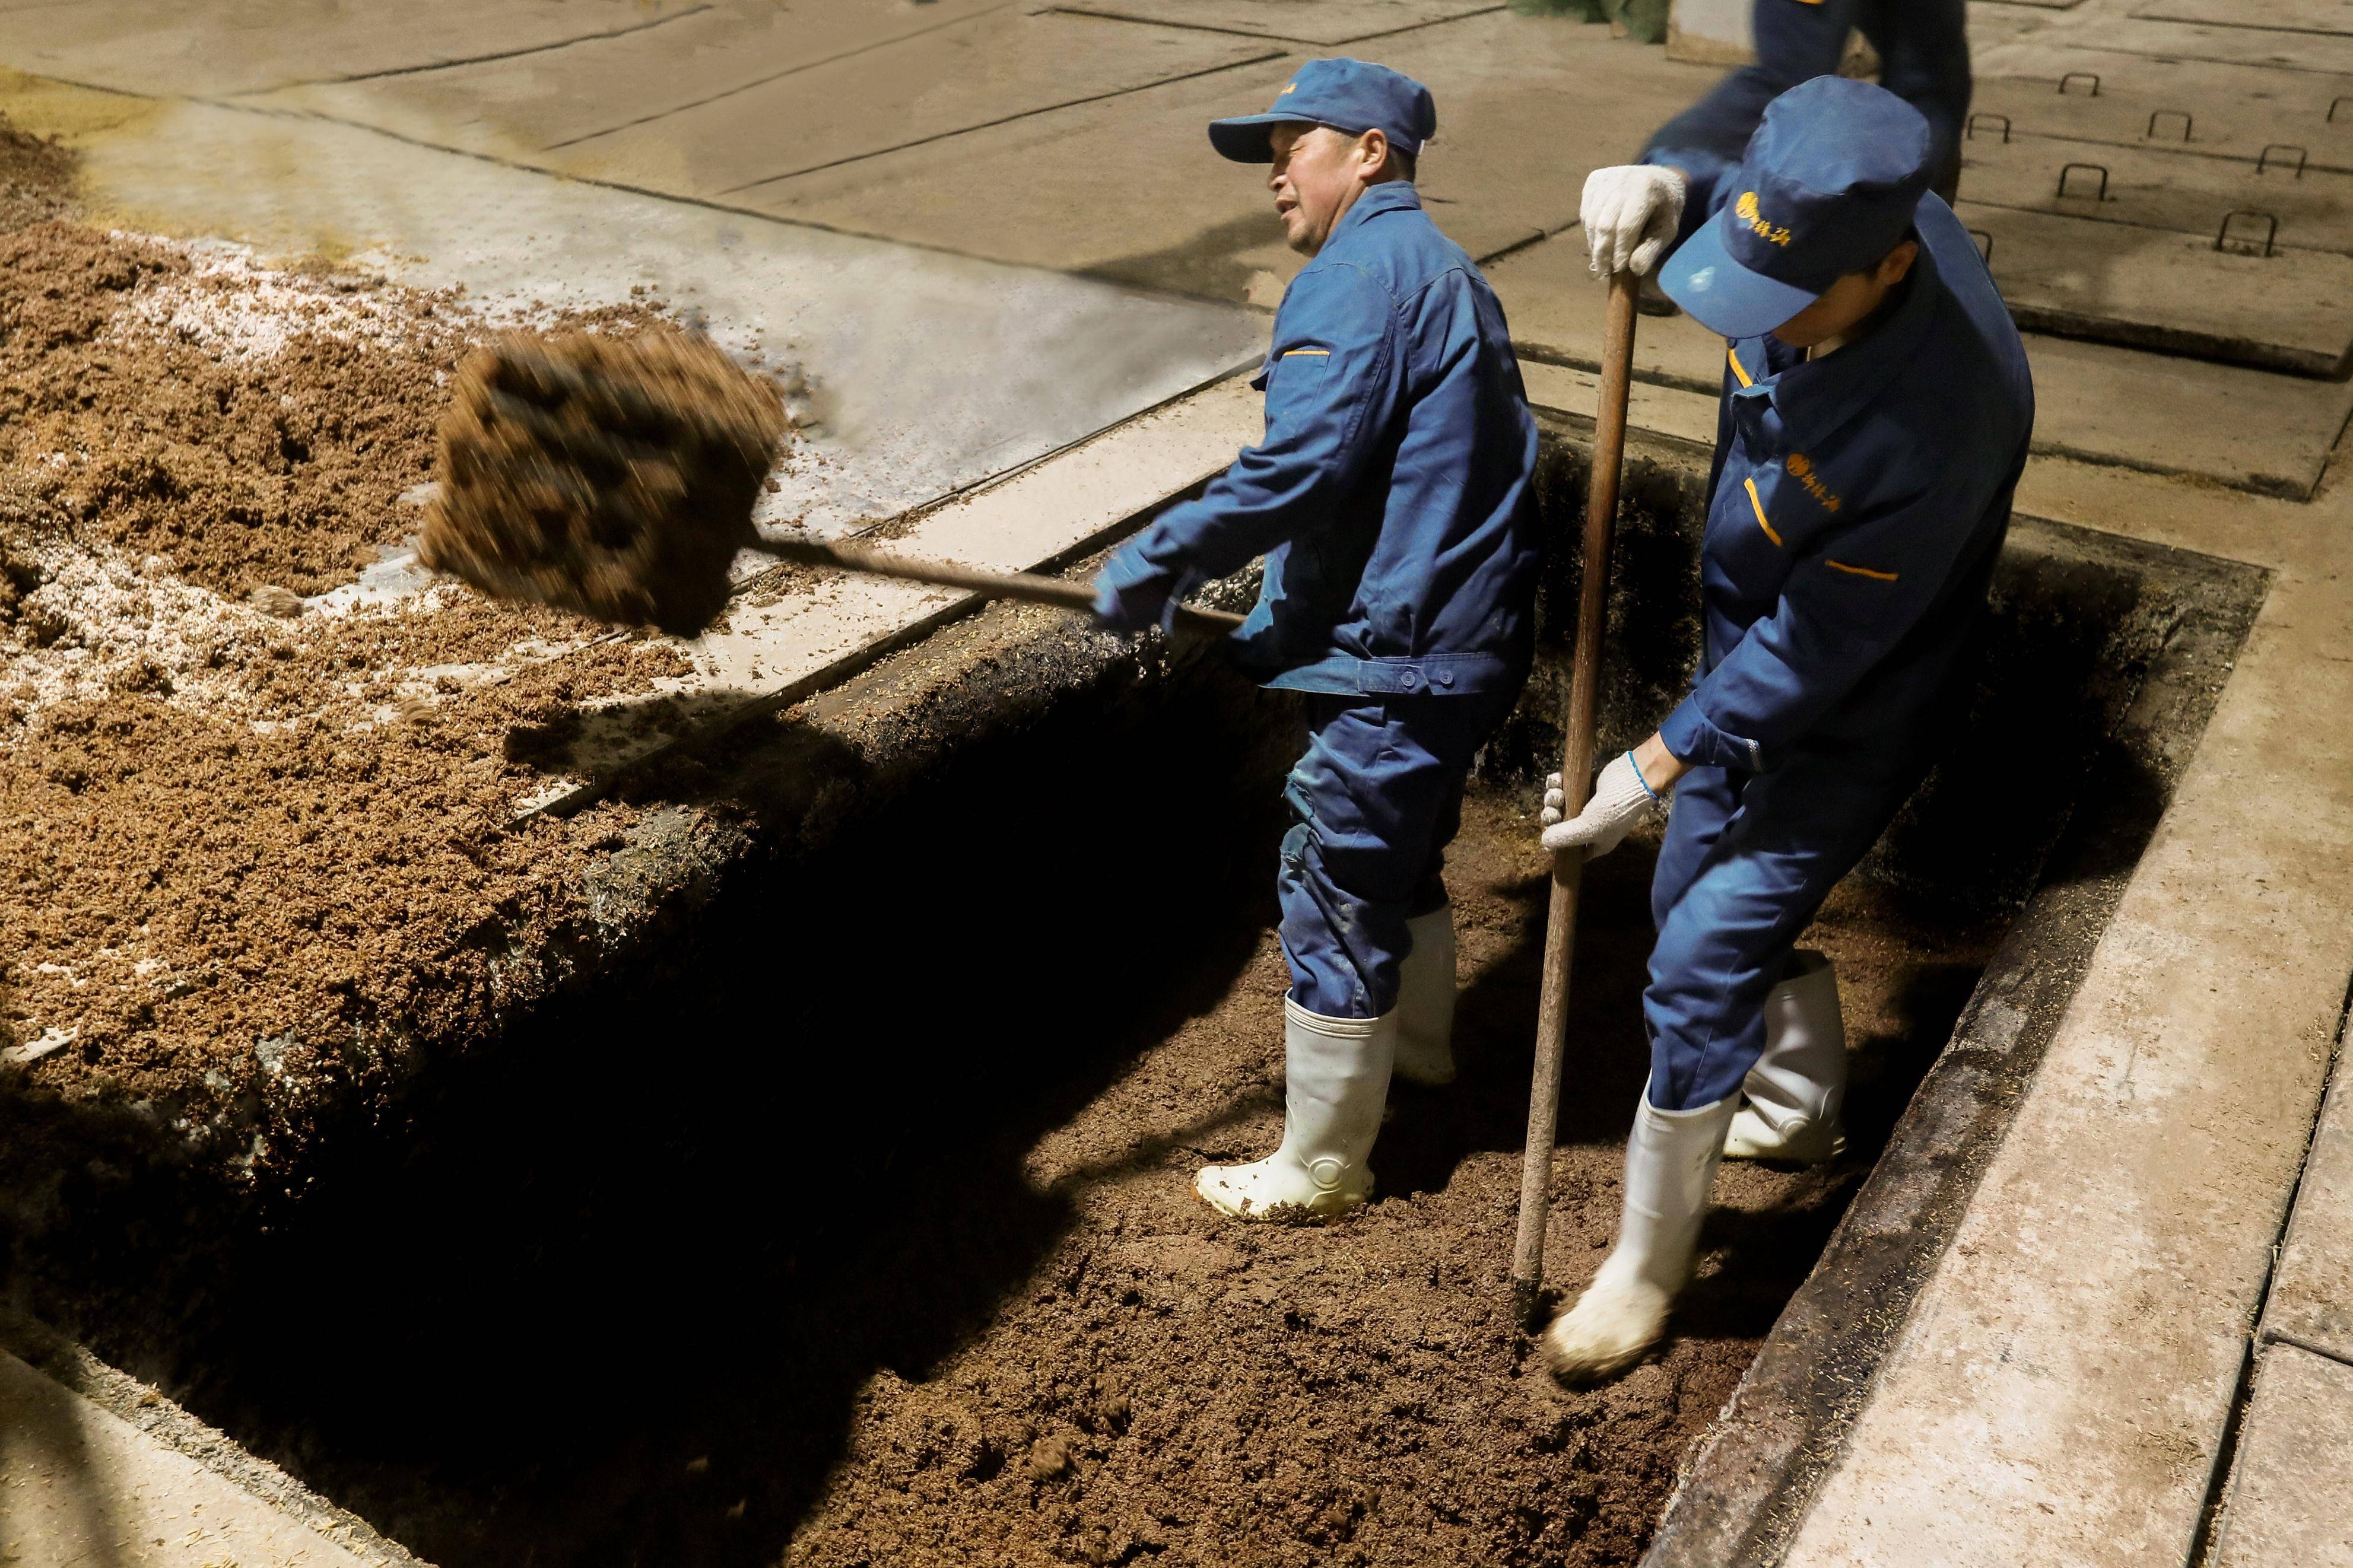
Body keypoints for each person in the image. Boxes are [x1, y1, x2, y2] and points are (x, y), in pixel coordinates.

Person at [1538, 75, 2034, 1381]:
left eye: (1791, 301)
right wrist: (1664, 173)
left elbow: (1816, 651)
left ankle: (1647, 1272)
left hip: (1855, 692)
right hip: (1746, 635)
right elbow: (1739, 138)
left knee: (1701, 951)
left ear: (1892, 262)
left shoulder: (1944, 423)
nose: (1754, 322)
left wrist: (1646, 765)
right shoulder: (1822, 215)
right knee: (1691, 905)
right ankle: (1799, 1106)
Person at [1091, 58, 1541, 1221]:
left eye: (1296, 147)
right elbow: (1403, 482)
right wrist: (1284, 621)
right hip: (1461, 639)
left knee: (1336, 877)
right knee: (1407, 851)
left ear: (1372, 153)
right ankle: (1426, 1053)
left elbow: (1302, 466)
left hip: (1401, 653)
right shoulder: (1443, 271)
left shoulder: (1355, 278)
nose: (1275, 176)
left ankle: (1325, 1164)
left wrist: (1160, 552)